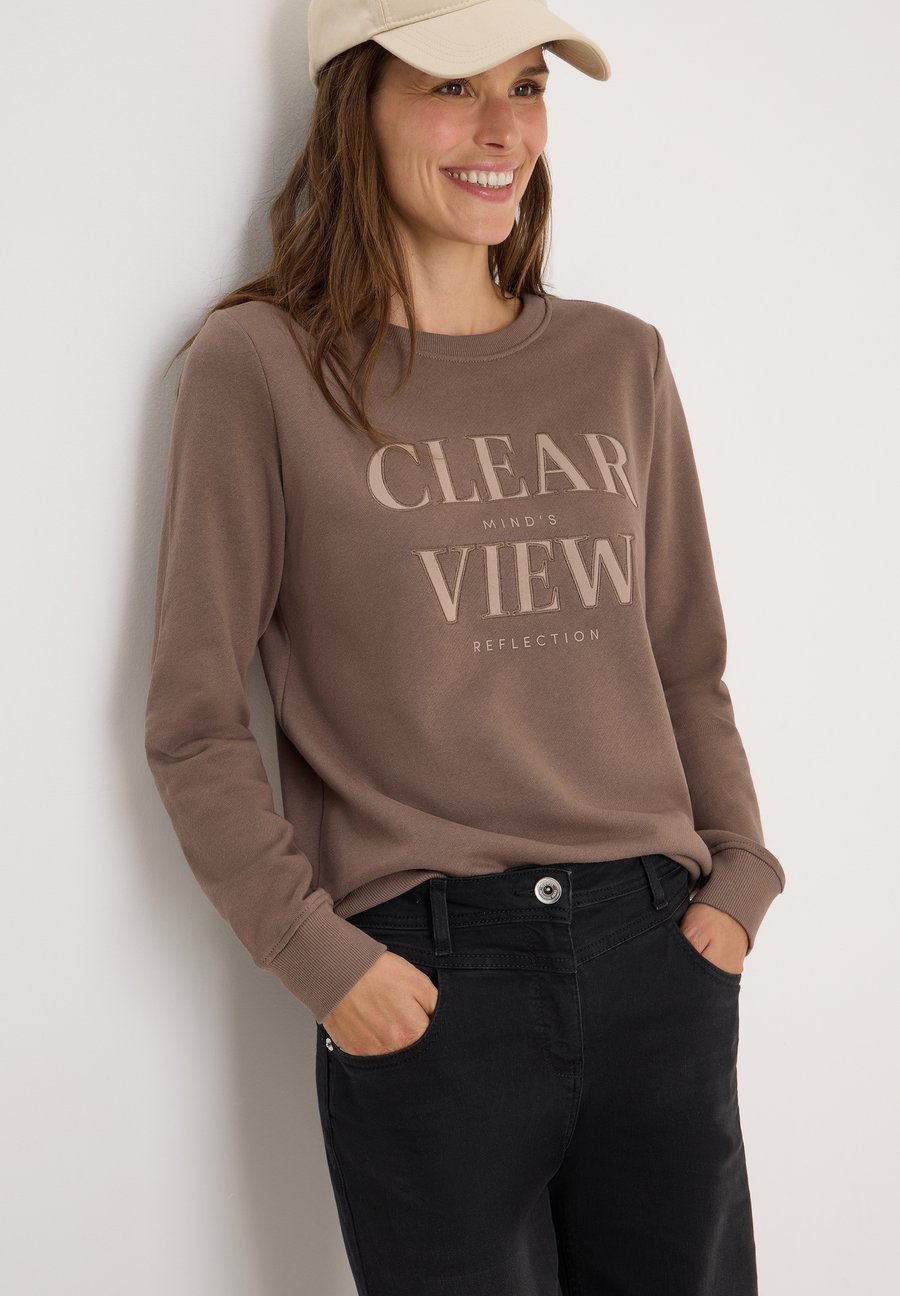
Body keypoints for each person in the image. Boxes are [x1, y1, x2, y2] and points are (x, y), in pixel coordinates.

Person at [144, 1, 786, 1292]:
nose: (503, 130)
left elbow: (684, 662)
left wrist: (738, 886)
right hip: (430, 980)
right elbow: (195, 722)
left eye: (528, 86)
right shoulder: (261, 368)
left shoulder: (619, 360)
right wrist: (325, 962)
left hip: (656, 951)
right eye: (453, 86)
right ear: (356, 108)